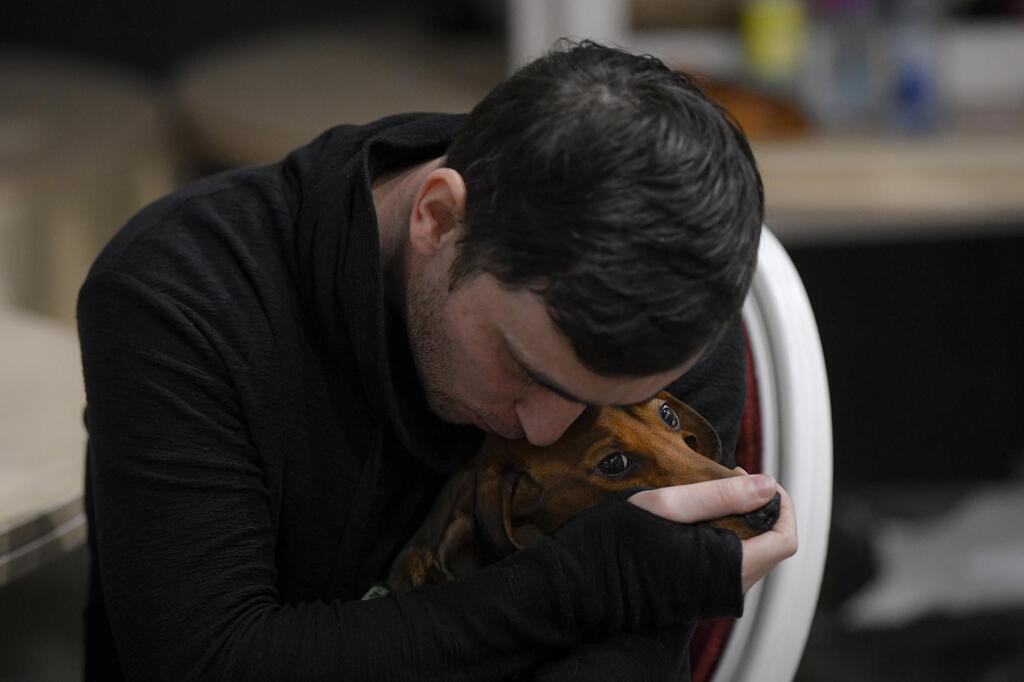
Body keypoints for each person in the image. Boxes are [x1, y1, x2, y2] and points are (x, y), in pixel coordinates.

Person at [77, 40, 797, 681]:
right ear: (438, 217)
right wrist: (586, 585)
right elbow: (209, 662)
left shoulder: (663, 313)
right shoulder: (181, 293)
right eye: (524, 368)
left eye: (601, 400)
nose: (548, 430)